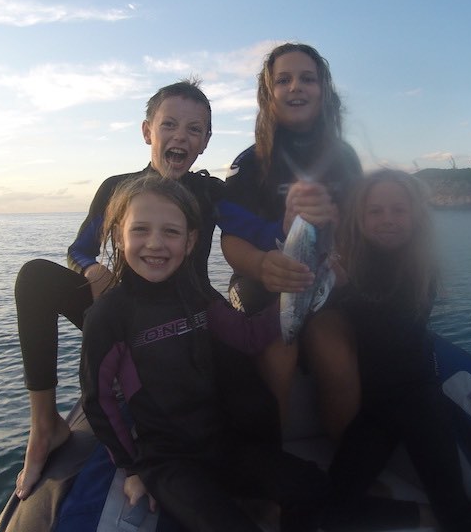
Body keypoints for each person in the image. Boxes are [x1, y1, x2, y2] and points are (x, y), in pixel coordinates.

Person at [12, 79, 223, 499]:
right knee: (34, 277)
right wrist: (91, 269)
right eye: (169, 125)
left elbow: (258, 225)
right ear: (148, 131)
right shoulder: (116, 188)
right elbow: (78, 250)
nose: (180, 136)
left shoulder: (212, 191)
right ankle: (45, 426)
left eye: (194, 129)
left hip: (188, 318)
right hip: (126, 315)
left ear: (205, 142)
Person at [80, 174, 327, 532]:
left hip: (223, 444)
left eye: (171, 232)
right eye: (141, 230)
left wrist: (298, 291)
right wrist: (131, 467)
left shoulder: (196, 295)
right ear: (119, 235)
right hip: (167, 462)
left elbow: (249, 336)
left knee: (314, 487)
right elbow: (98, 399)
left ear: (191, 241)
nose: (155, 243)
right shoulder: (109, 315)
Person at [323, 169, 471, 531]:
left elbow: (391, 322)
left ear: (415, 216)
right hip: (374, 407)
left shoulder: (421, 267)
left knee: (455, 507)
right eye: (375, 211)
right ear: (361, 219)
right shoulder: (353, 261)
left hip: (418, 400)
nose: (388, 219)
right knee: (332, 510)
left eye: (398, 210)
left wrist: (344, 289)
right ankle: (417, 516)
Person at [218, 42, 363, 438]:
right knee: (277, 355)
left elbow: (358, 231)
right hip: (260, 284)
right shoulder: (249, 163)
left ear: (324, 91)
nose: (295, 87)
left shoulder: (345, 160)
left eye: (307, 79)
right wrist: (263, 265)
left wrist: (343, 253)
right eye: (283, 80)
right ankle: (272, 464)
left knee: (336, 355)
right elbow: (231, 240)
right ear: (268, 95)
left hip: (323, 282)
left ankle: (344, 462)